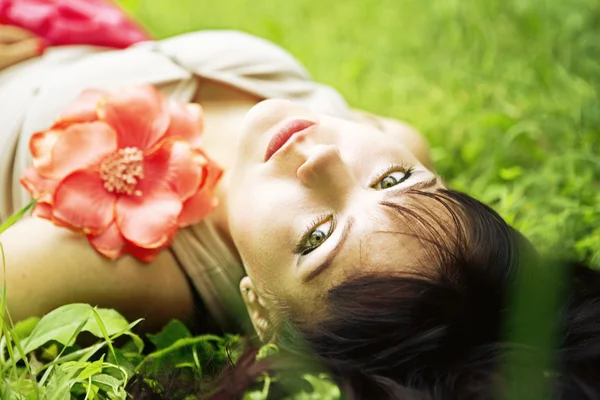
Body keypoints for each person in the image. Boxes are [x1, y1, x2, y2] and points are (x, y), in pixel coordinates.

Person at [1, 3, 598, 399]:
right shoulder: (393, 141)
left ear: (261, 311)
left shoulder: (125, 258)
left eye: (316, 237)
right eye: (394, 181)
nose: (326, 161)